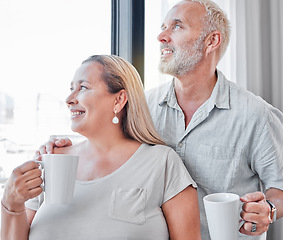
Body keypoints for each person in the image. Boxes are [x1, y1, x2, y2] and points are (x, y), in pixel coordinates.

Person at [36, 0, 283, 239]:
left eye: (177, 26)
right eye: (163, 27)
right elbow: (106, 143)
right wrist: (64, 147)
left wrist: (269, 209)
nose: (162, 36)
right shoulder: (143, 106)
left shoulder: (256, 116)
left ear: (211, 41)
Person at [0, 55, 201, 240]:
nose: (69, 99)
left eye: (83, 87)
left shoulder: (162, 163)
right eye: (71, 89)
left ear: (119, 99)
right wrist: (12, 204)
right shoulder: (51, 160)